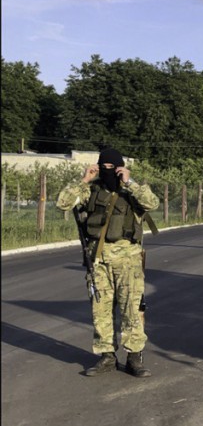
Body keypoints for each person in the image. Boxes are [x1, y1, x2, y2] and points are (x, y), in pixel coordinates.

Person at [57, 148, 160, 377]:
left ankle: (134, 357)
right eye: (104, 167)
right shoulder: (91, 191)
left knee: (131, 309)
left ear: (120, 168)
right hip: (98, 261)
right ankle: (106, 356)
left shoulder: (132, 190)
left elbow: (152, 203)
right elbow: (63, 202)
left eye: (113, 168)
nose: (108, 172)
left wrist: (129, 181)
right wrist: (84, 179)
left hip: (128, 261)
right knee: (100, 310)